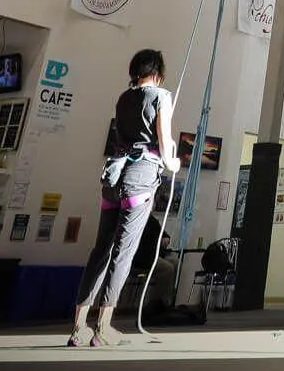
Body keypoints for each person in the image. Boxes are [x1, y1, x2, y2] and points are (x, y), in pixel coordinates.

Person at [71, 49, 180, 348]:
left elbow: (122, 138)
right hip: (140, 180)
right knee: (123, 253)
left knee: (100, 251)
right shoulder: (161, 96)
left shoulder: (123, 98)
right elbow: (162, 140)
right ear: (158, 72)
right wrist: (173, 163)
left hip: (114, 178)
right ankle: (103, 328)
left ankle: (78, 327)